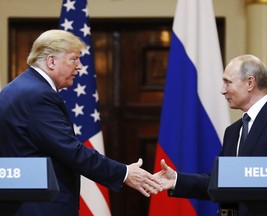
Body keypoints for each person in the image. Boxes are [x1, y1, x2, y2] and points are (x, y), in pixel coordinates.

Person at [0, 29, 162, 216]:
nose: (79, 67)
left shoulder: (16, 88)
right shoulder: (38, 95)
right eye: (73, 59)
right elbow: (70, 151)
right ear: (51, 61)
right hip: (39, 207)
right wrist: (124, 173)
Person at [154, 54, 267, 216]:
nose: (222, 90)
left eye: (228, 82)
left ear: (250, 83)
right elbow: (221, 181)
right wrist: (175, 179)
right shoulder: (232, 132)